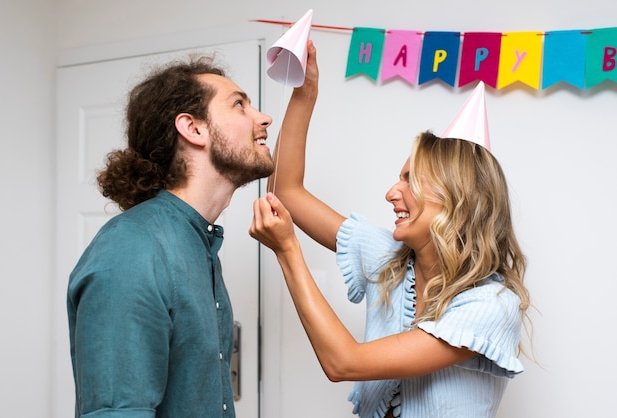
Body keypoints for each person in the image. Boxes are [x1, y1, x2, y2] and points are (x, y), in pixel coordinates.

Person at [249, 41, 531, 418]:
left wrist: (287, 251)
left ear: (456, 198)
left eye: (410, 179)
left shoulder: (491, 306)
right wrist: (305, 92)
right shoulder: (388, 259)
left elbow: (344, 363)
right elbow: (286, 190)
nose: (391, 193)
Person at [67, 55, 274, 418]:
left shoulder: (200, 245)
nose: (262, 117)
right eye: (239, 105)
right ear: (193, 129)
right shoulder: (131, 250)